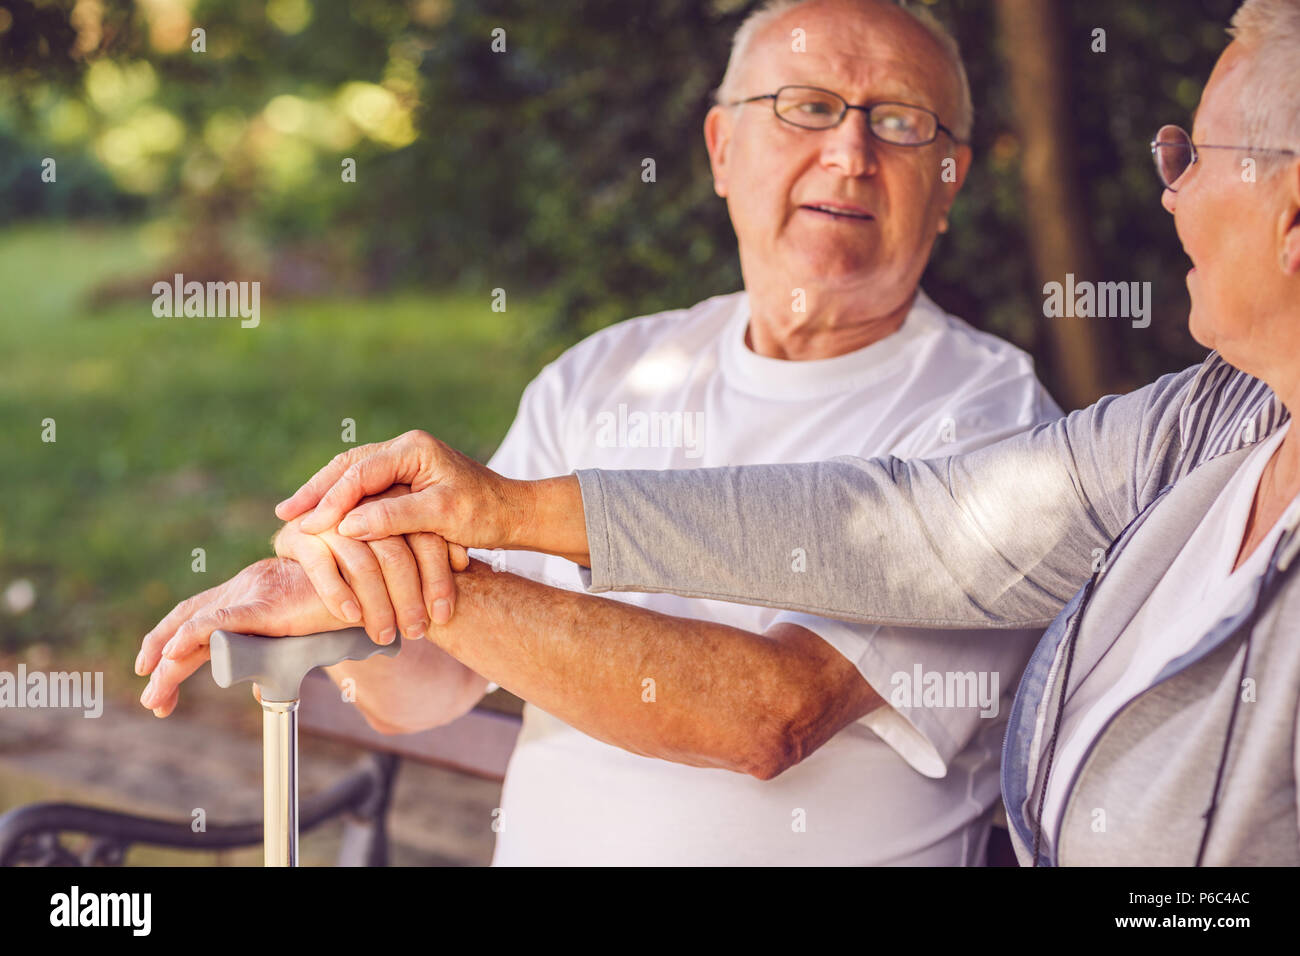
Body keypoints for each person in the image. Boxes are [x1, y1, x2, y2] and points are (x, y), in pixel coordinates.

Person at [242, 0, 1300, 865]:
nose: (849, 153)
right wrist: (357, 584)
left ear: (949, 181)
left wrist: (455, 569)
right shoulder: (606, 370)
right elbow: (428, 685)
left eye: (899, 124)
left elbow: (769, 716)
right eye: (806, 107)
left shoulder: (983, 411)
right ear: (720, 146)